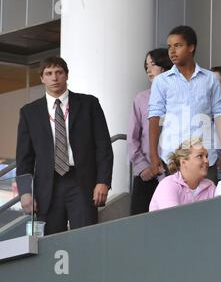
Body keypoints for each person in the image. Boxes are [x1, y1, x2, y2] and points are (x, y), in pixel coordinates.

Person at [16, 56, 113, 235]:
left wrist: (103, 181)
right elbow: (24, 158)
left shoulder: (89, 104)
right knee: (50, 243)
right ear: (42, 78)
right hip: (46, 186)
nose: (54, 78)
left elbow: (103, 146)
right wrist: (25, 192)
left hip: (82, 182)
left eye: (59, 72)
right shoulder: (29, 112)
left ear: (66, 75)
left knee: (85, 238)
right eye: (49, 73)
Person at [148, 25, 221, 185]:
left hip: (206, 157)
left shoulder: (210, 78)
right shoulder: (161, 81)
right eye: (169, 46)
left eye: (178, 45)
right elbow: (154, 117)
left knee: (206, 205)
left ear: (191, 47)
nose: (172, 51)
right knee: (174, 206)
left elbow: (220, 115)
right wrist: (153, 154)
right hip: (173, 158)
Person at [127, 48, 173, 215]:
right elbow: (132, 138)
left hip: (176, 172)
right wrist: (142, 167)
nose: (148, 69)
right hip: (147, 174)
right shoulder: (141, 99)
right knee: (140, 225)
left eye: (153, 64)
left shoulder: (179, 96)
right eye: (146, 65)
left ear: (166, 65)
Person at [149, 138, 216, 211]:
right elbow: (172, 219)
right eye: (199, 156)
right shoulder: (168, 185)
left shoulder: (210, 186)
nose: (206, 161)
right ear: (183, 162)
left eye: (206, 156)